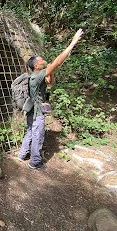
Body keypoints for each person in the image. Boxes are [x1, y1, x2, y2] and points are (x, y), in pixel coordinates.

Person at [18, 29, 84, 169]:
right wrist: (73, 42)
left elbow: (50, 82)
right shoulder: (37, 75)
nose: (44, 60)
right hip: (37, 112)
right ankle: (34, 162)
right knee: (38, 135)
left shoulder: (34, 76)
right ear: (36, 66)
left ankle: (22, 154)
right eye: (41, 60)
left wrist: (50, 70)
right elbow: (58, 61)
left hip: (31, 110)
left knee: (30, 131)